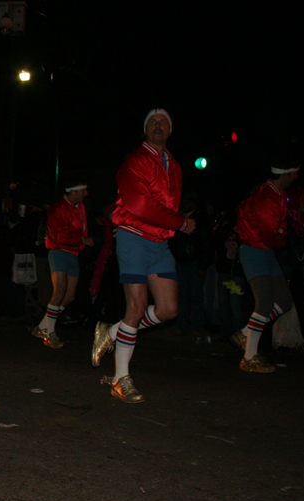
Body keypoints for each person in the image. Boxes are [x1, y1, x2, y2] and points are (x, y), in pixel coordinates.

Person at [91, 109, 195, 402]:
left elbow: (167, 205)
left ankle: (112, 331)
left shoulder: (173, 165)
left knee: (168, 309)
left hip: (159, 242)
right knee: (136, 307)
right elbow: (138, 205)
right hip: (133, 236)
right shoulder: (135, 160)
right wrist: (182, 223)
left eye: (163, 122)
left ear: (170, 130)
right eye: (152, 122)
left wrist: (174, 224)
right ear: (145, 130)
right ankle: (120, 379)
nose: (158, 125)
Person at [229, 158, 298, 372]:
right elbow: (271, 232)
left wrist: (280, 233)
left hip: (264, 251)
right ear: (285, 174)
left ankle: (246, 333)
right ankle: (250, 357)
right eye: (294, 173)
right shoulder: (267, 197)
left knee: (284, 300)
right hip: (254, 250)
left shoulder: (273, 192)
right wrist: (282, 236)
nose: (296, 177)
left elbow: (275, 230)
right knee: (264, 302)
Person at [32, 179, 93, 348]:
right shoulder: (58, 208)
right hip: (59, 252)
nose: (86, 194)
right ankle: (50, 333)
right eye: (83, 190)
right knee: (59, 291)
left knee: (69, 296)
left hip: (73, 253)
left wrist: (82, 242)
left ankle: (43, 326)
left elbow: (80, 230)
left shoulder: (79, 207)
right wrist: (83, 240)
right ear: (72, 191)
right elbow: (60, 237)